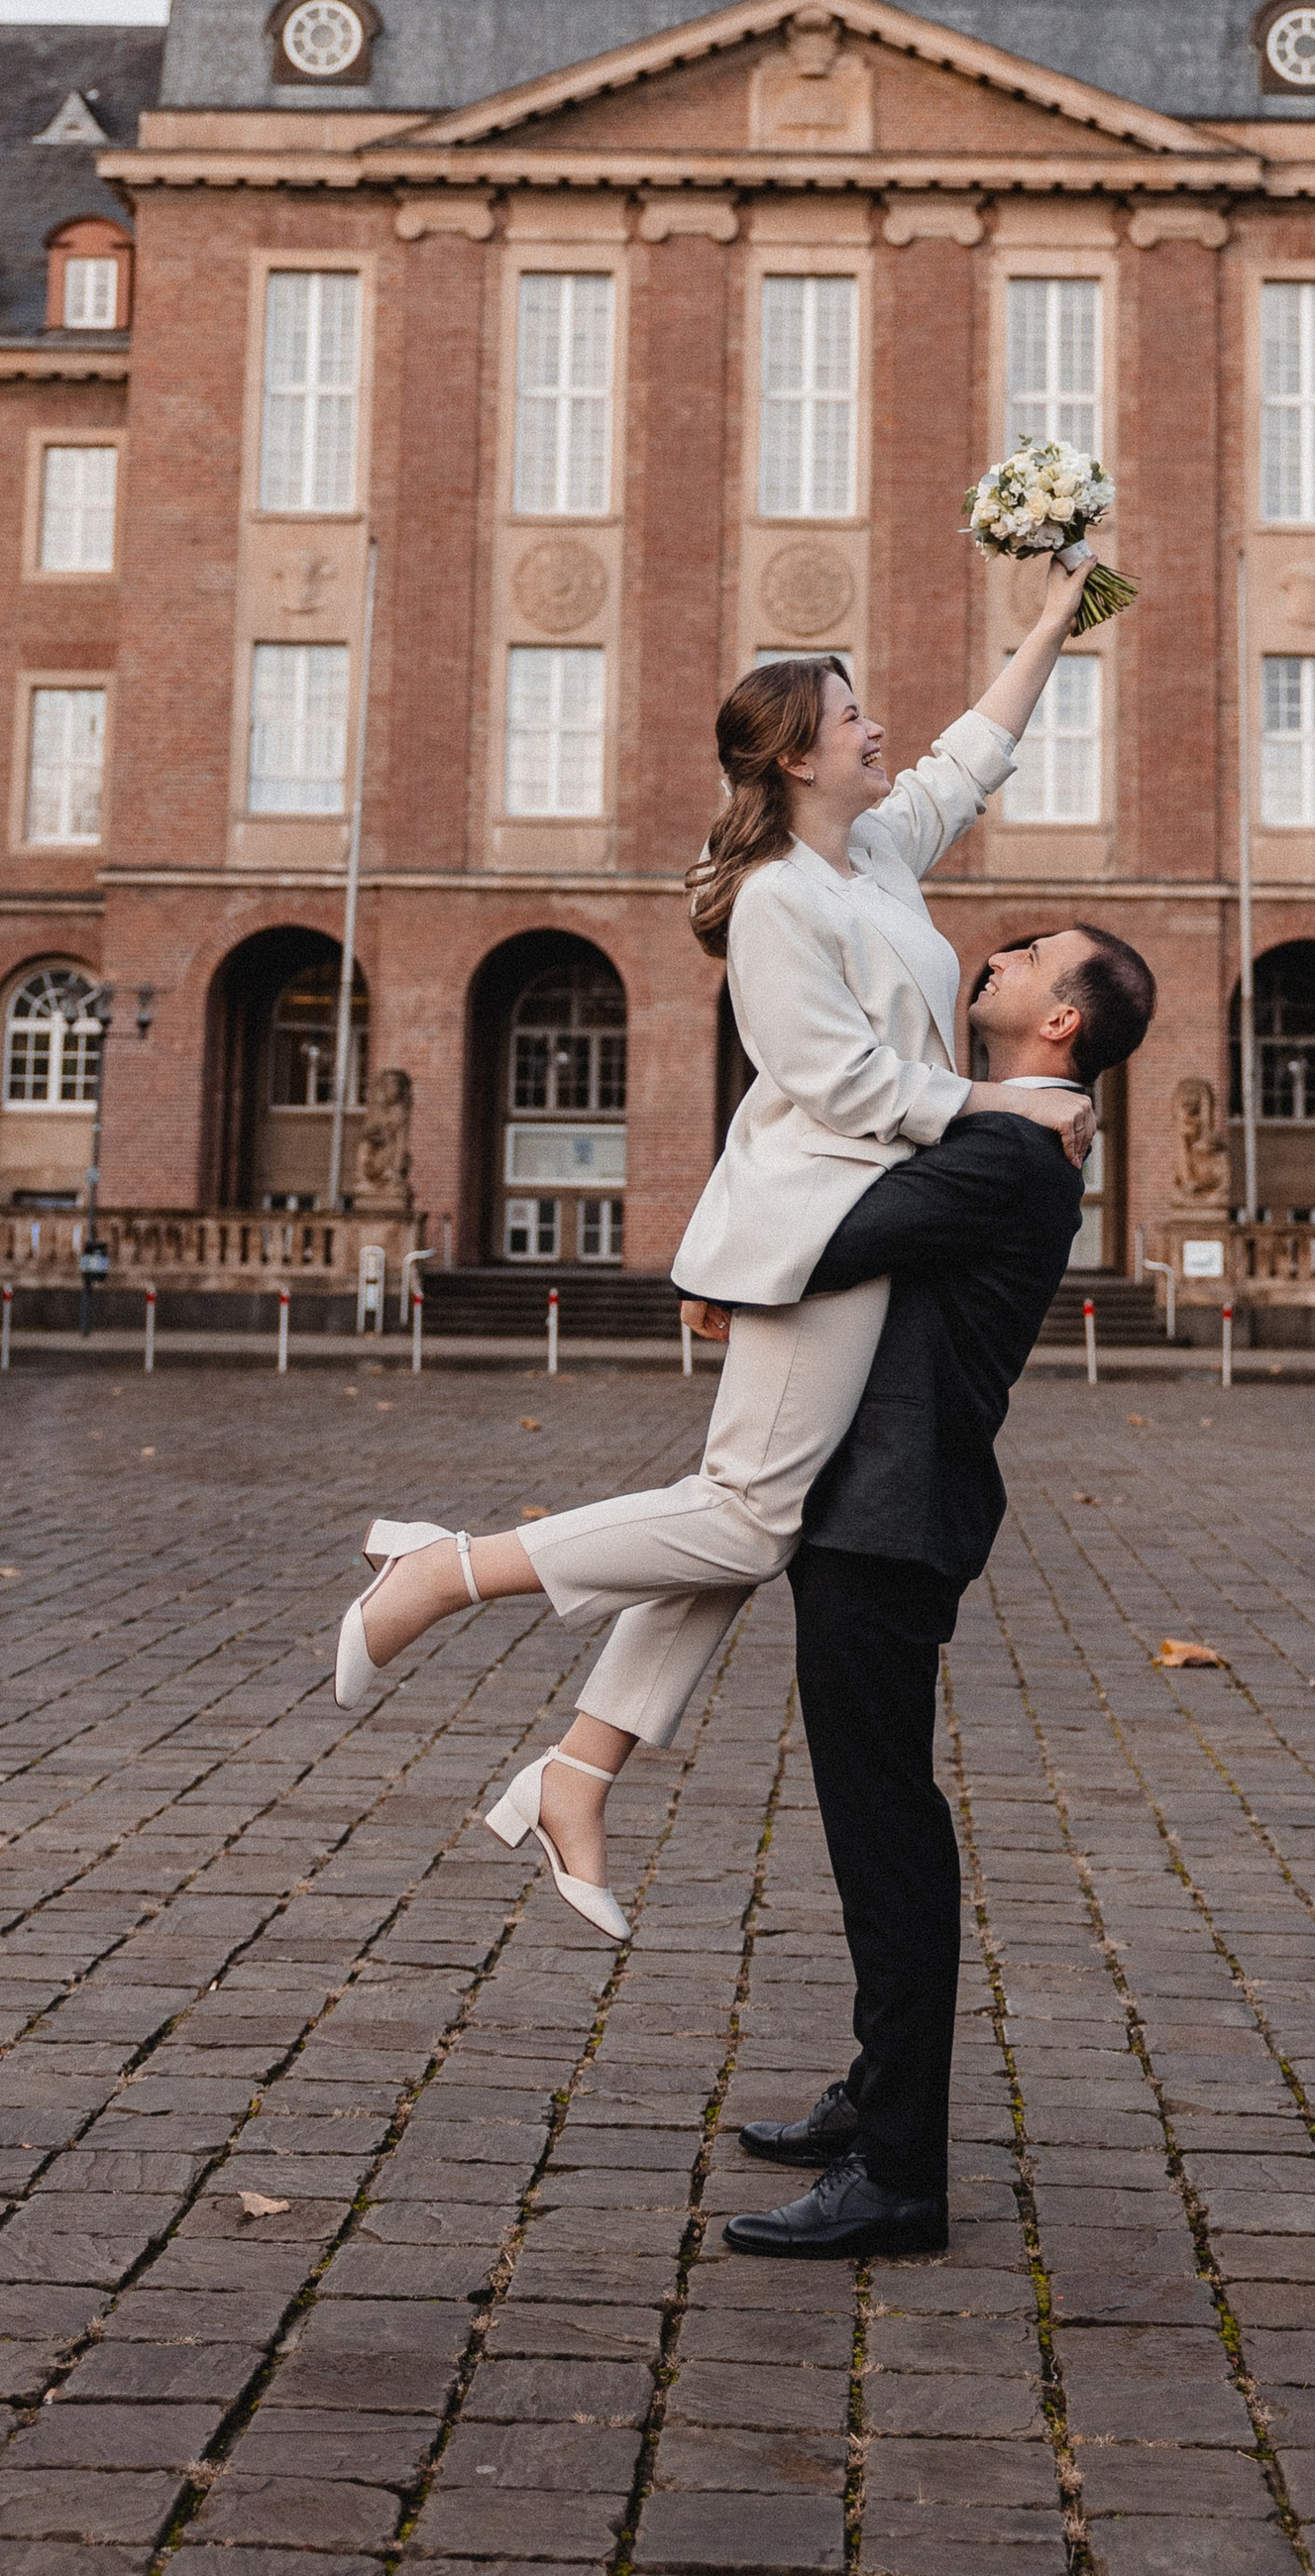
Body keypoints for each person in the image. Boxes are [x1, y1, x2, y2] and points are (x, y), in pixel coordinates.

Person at [332, 575, 1096, 1932]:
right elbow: (838, 1078)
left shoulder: (878, 856)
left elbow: (971, 753)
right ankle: (445, 1572)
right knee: (746, 1520)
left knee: (743, 1518)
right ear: (799, 754)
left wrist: (1049, 624)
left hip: (861, 1229)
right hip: (819, 1228)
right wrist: (1004, 1102)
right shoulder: (773, 898)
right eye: (855, 715)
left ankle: (578, 1769)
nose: (880, 731)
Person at [717, 922, 1156, 2262]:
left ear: (1062, 1023)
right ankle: (875, 2096)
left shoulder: (1011, 1152)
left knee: (886, 1835)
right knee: (874, 1827)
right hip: (883, 1512)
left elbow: (830, 1238)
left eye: (1030, 954)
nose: (999, 953)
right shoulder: (1018, 1137)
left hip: (889, 1524)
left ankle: (901, 2167)